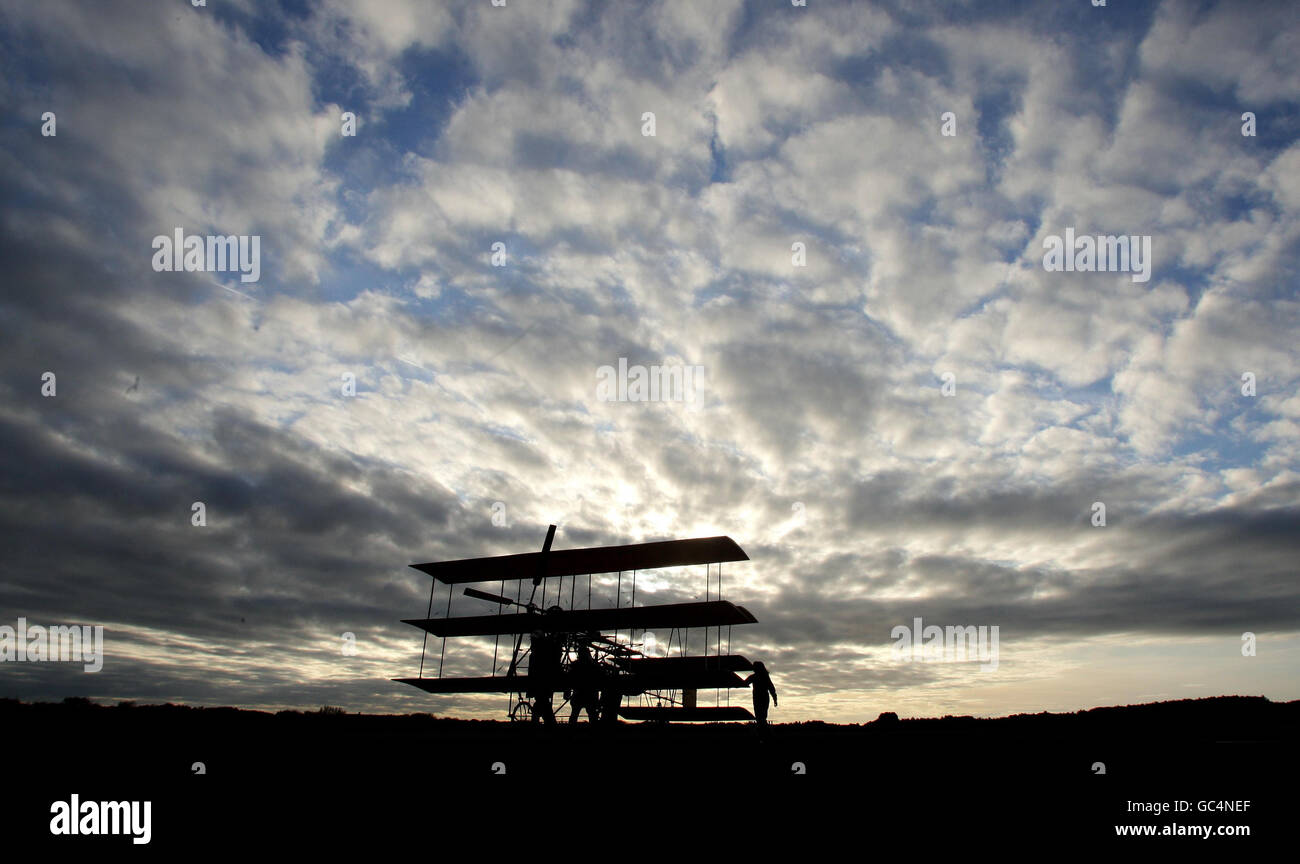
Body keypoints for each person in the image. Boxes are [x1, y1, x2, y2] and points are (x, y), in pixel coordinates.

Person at [743, 661, 778, 732]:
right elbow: (771, 688)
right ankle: (763, 731)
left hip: (758, 698)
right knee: (762, 717)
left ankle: (762, 731)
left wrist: (775, 699)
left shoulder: (755, 677)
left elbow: (744, 683)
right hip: (763, 698)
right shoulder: (764, 677)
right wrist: (775, 699)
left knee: (760, 717)